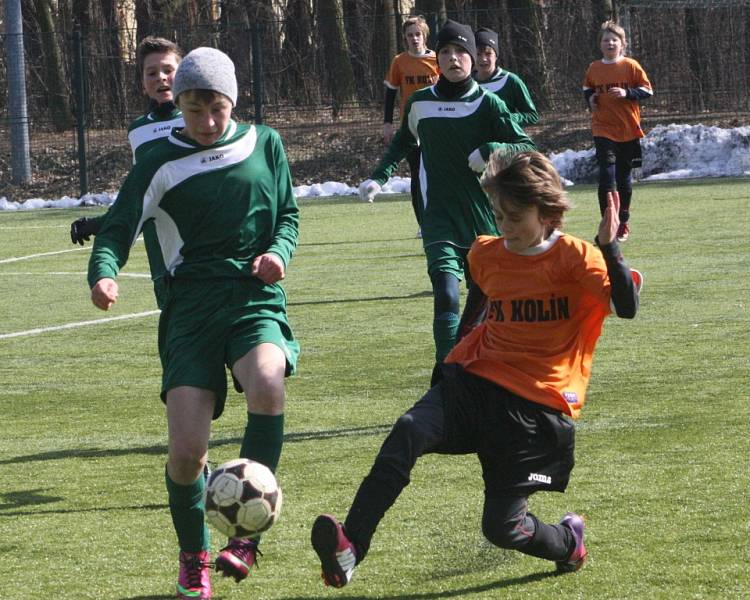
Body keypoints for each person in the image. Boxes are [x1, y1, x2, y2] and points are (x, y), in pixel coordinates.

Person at [311, 149, 641, 588]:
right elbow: (479, 308)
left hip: (536, 404)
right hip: (474, 381)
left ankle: (568, 542)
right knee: (409, 429)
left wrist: (609, 247)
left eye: (514, 216)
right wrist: (448, 366)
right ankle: (352, 546)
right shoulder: (486, 254)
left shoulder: (577, 259)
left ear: (547, 212)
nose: (504, 227)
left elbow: (626, 306)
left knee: (502, 528)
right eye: (497, 215)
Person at [86, 47, 300, 600]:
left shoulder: (265, 143)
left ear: (233, 102)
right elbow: (116, 228)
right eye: (193, 110)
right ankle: (193, 558)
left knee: (269, 382)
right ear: (177, 104)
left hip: (253, 298)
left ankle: (248, 536)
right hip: (190, 311)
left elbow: (289, 217)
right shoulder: (157, 161)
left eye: (217, 110)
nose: (206, 123)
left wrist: (279, 251)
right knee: (186, 455)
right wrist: (104, 272)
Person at [359, 20, 536, 366]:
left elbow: (525, 146)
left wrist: (491, 149)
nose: (453, 58)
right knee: (446, 295)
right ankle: (444, 371)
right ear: (436, 59)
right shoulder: (421, 103)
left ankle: (473, 368)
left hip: (482, 218)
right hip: (437, 216)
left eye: (460, 52)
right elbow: (403, 142)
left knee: (481, 301)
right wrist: (378, 177)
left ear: (472, 58)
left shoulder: (489, 104)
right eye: (445, 52)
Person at [70, 36, 185, 309]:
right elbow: (144, 195)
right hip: (159, 246)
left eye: (168, 70)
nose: (161, 78)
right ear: (143, 84)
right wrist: (103, 223)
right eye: (152, 73)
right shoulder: (138, 130)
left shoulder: (202, 120)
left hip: (201, 238)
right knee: (175, 327)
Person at [582, 20, 652, 242]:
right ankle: (607, 222)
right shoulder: (594, 67)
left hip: (628, 130)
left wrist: (627, 93)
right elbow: (587, 88)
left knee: (623, 179)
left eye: (614, 39)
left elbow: (647, 90)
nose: (610, 43)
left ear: (622, 44)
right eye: (605, 40)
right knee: (606, 177)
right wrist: (591, 98)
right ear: (600, 44)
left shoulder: (630, 66)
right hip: (602, 129)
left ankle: (622, 221)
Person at [382, 15, 439, 233]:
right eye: (409, 35)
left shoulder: (437, 61)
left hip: (435, 127)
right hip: (411, 128)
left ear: (424, 35)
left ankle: (438, 219)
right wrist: (387, 123)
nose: (414, 39)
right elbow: (390, 93)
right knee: (416, 175)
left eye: (417, 34)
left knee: (435, 174)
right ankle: (423, 224)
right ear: (405, 38)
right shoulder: (399, 62)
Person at [473, 27, 539, 128]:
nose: (483, 59)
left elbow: (532, 116)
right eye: (478, 54)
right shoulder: (467, 83)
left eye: (488, 54)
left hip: (506, 142)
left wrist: (507, 119)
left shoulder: (511, 80)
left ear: (496, 56)